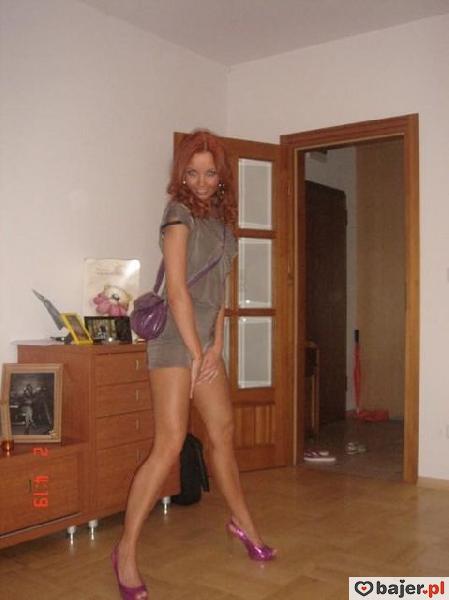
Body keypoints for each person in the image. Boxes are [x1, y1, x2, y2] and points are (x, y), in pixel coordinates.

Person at [111, 130, 276, 600]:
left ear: (221, 176)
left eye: (209, 172)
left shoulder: (224, 226)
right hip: (173, 338)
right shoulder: (177, 215)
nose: (202, 181)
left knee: (222, 431)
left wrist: (216, 344)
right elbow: (179, 290)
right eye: (192, 172)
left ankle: (243, 524)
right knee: (168, 444)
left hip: (204, 340)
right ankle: (125, 551)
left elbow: (217, 294)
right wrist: (195, 350)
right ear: (181, 175)